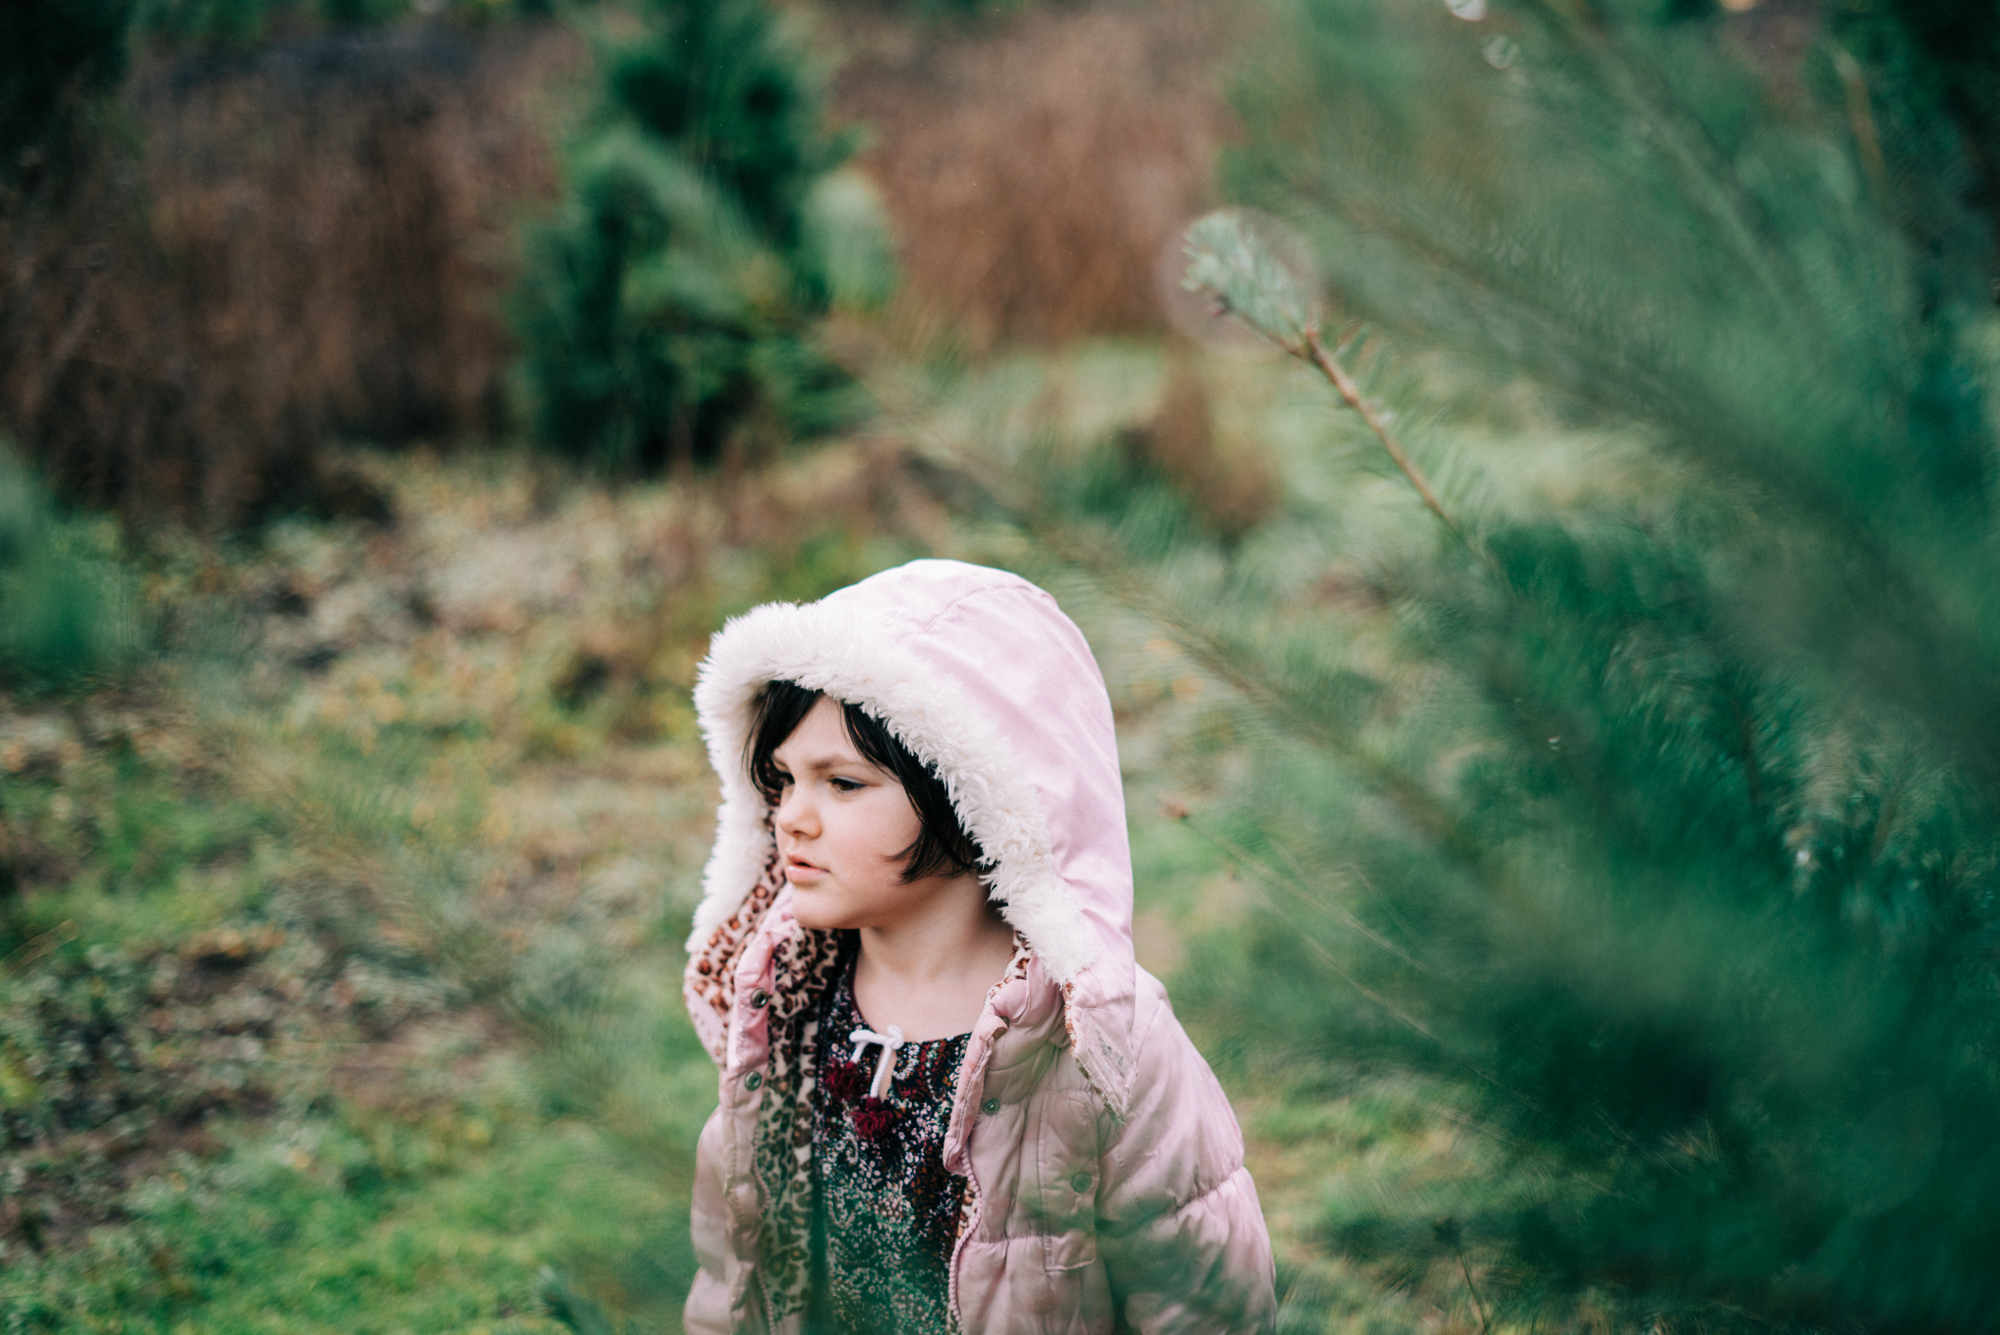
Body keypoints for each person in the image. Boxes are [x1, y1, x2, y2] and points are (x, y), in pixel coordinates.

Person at [681, 558, 1276, 1335]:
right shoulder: (784, 1011)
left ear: (973, 797)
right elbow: (733, 1272)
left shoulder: (1092, 1041)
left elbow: (1202, 1296)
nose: (792, 815)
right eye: (783, 778)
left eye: (843, 782)